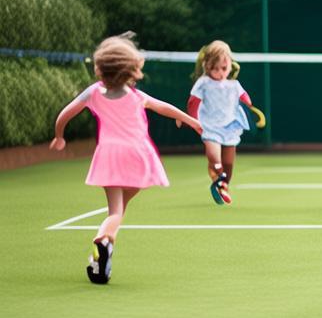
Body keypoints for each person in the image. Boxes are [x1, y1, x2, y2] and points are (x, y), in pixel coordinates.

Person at [49, 33, 202, 284]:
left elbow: (65, 114)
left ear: (100, 69)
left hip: (109, 154)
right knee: (120, 211)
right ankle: (103, 244)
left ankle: (104, 244)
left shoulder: (93, 93)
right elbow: (163, 106)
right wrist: (191, 120)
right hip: (136, 154)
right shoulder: (136, 97)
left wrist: (59, 136)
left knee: (116, 211)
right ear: (132, 70)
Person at [187, 40, 265, 205]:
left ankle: (223, 186)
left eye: (223, 68)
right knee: (214, 159)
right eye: (215, 68)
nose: (220, 72)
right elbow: (193, 102)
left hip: (230, 128)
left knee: (228, 163)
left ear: (231, 65)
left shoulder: (234, 85)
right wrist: (194, 121)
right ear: (207, 66)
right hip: (210, 127)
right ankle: (219, 179)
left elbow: (245, 99)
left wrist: (249, 108)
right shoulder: (203, 83)